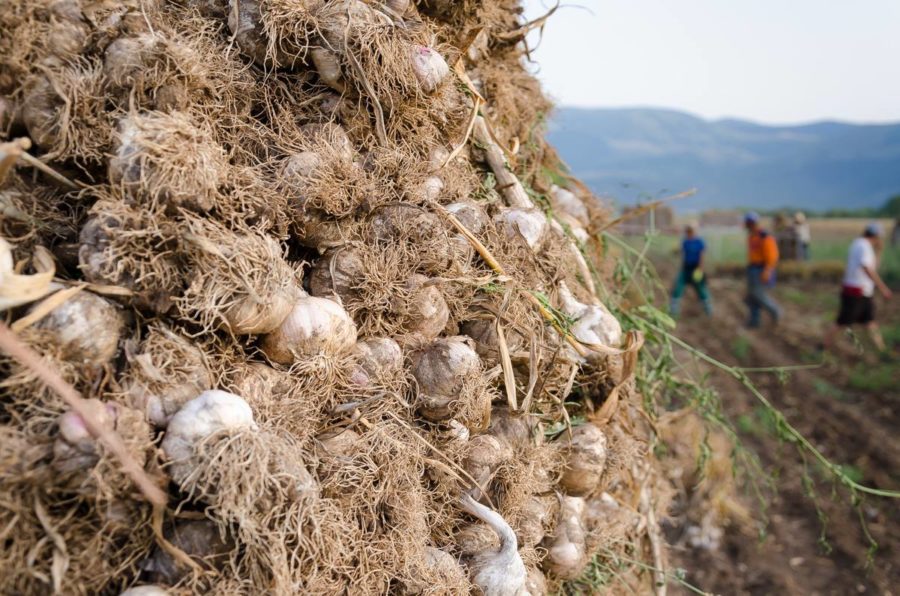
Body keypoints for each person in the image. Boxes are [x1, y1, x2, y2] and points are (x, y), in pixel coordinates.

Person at [822, 223, 893, 352]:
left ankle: (882, 350)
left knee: (869, 321)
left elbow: (872, 266)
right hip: (855, 291)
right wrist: (883, 288)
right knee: (842, 322)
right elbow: (867, 269)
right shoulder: (863, 246)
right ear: (876, 235)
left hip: (862, 291)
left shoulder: (860, 244)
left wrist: (879, 251)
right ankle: (822, 347)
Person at [743, 212, 781, 328]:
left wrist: (767, 271)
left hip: (761, 269)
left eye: (750, 223)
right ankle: (754, 321)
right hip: (752, 268)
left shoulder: (765, 236)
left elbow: (772, 256)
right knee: (752, 297)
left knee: (759, 295)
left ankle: (775, 311)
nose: (748, 225)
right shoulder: (751, 236)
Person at [669, 222, 712, 317]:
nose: (689, 233)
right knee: (678, 287)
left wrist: (700, 269)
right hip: (686, 268)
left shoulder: (699, 242)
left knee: (700, 288)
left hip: (696, 268)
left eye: (690, 231)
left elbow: (702, 256)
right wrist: (675, 251)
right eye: (687, 231)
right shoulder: (685, 241)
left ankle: (708, 310)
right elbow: (681, 252)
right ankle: (673, 311)